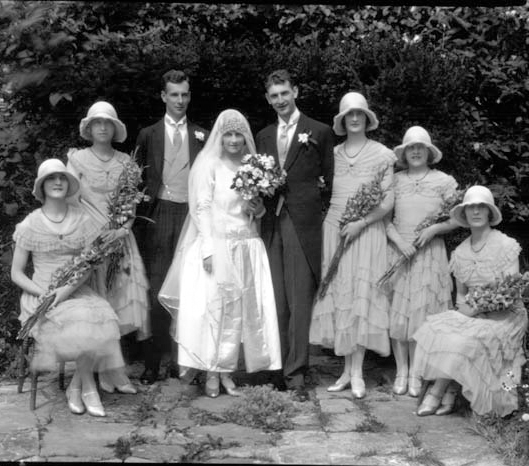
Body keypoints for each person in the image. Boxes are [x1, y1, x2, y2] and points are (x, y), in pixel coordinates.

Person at [158, 109, 282, 397]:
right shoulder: (209, 165)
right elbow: (201, 209)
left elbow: (258, 210)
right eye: (228, 134)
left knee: (239, 312)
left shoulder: (254, 167)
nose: (235, 140)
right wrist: (208, 249)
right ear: (220, 136)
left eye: (239, 133)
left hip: (247, 245)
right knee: (216, 311)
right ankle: (211, 373)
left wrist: (259, 209)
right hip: (218, 245)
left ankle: (228, 372)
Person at [11, 158, 128, 417]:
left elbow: (87, 265)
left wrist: (62, 293)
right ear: (41, 187)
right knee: (82, 320)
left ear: (68, 184)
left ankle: (80, 387)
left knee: (99, 316)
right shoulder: (30, 224)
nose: (57, 182)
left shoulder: (83, 221)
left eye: (62, 177)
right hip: (39, 293)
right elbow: (16, 273)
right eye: (51, 178)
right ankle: (88, 389)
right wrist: (43, 293)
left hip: (76, 288)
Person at [411, 185, 526, 417]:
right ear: (464, 214)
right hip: (473, 312)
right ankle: (451, 389)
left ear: (489, 213)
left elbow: (511, 291)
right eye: (470, 207)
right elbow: (461, 294)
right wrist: (466, 310)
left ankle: (438, 392)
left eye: (481, 207)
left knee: (466, 340)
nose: (475, 212)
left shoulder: (505, 245)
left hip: (505, 316)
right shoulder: (461, 252)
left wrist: (480, 308)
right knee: (436, 329)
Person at [309, 92, 395, 399]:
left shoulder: (383, 154)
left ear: (367, 118)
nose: (355, 118)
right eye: (349, 114)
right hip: (334, 227)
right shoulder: (333, 153)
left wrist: (361, 222)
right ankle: (345, 370)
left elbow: (387, 202)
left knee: (360, 296)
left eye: (359, 113)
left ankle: (357, 372)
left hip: (366, 230)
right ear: (343, 120)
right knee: (341, 296)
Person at [256, 69, 334, 398]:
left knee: (300, 298)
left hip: (303, 223)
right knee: (276, 298)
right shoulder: (262, 135)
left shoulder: (319, 130)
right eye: (273, 96)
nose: (279, 101)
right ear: (268, 99)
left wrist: (314, 209)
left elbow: (330, 182)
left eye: (284, 93)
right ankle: (278, 367)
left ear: (295, 92)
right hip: (271, 223)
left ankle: (297, 371)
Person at [67, 101, 149, 394]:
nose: (102, 127)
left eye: (107, 122)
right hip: (90, 241)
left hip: (119, 239)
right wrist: (87, 235)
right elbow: (70, 202)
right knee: (97, 306)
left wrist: (122, 229)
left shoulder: (126, 162)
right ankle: (101, 370)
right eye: (97, 123)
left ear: (115, 128)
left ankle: (113, 372)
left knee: (116, 303)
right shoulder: (76, 161)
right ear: (89, 129)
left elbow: (130, 203)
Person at [134, 70, 209, 385]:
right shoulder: (148, 134)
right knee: (155, 288)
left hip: (191, 216)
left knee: (189, 289)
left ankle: (183, 361)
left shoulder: (201, 135)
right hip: (158, 214)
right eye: (174, 94)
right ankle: (152, 363)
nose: (180, 100)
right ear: (163, 96)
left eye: (185, 94)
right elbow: (134, 180)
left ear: (189, 96)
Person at [385, 126, 459, 397]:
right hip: (400, 252)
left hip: (429, 253)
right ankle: (401, 370)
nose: (415, 152)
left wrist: (434, 230)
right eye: (410, 148)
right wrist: (398, 242)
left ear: (428, 152)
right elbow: (384, 219)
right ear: (404, 153)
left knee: (421, 316)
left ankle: (417, 373)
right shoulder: (395, 180)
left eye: (420, 147)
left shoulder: (443, 181)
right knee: (398, 314)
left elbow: (457, 218)